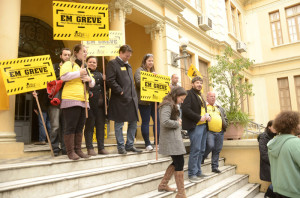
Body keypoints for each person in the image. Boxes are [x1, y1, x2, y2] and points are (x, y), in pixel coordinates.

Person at [60, 44, 95, 160]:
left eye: (86, 51)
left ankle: (78, 150)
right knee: (71, 126)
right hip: (71, 98)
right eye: (83, 51)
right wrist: (79, 73)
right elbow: (63, 77)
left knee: (80, 127)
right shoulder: (69, 64)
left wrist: (89, 79)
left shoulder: (85, 67)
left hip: (83, 100)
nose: (85, 53)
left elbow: (93, 83)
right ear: (76, 52)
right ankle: (70, 151)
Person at [106, 44, 142, 154]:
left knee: (133, 123)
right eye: (126, 56)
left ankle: (130, 145)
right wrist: (119, 90)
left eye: (129, 56)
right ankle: (121, 146)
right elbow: (110, 79)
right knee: (119, 124)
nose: (128, 58)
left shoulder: (128, 65)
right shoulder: (113, 63)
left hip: (131, 99)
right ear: (120, 53)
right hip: (120, 99)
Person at [158, 86, 187, 198]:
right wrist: (177, 123)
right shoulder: (167, 104)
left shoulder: (171, 104)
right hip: (170, 139)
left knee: (178, 162)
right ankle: (181, 193)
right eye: (182, 98)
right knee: (179, 162)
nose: (182, 101)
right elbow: (164, 121)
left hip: (174, 137)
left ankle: (163, 185)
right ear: (176, 95)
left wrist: (177, 123)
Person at [181, 76, 211, 182]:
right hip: (195, 126)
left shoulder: (200, 96)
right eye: (197, 83)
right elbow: (185, 109)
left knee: (202, 150)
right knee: (196, 149)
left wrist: (208, 117)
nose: (199, 84)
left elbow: (202, 110)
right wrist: (199, 118)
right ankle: (192, 173)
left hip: (203, 126)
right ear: (192, 84)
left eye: (201, 83)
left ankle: (198, 172)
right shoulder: (189, 94)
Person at [268, 111, 300, 198]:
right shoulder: (295, 143)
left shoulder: (273, 142)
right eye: (298, 123)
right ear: (292, 125)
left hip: (279, 190)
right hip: (295, 192)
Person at [134, 54, 160, 151]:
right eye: (149, 60)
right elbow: (138, 82)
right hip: (144, 101)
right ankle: (147, 143)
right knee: (145, 121)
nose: (151, 62)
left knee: (157, 121)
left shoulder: (154, 72)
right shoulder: (139, 70)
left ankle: (157, 142)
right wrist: (151, 78)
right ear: (144, 61)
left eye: (152, 61)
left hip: (154, 101)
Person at [84, 56, 108, 156]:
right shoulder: (84, 73)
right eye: (90, 62)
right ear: (86, 63)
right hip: (89, 105)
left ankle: (101, 148)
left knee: (100, 127)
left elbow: (107, 88)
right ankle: (90, 148)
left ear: (97, 64)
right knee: (89, 127)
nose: (92, 64)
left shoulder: (101, 74)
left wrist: (105, 80)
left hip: (101, 106)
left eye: (94, 62)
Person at [49, 48, 71, 156]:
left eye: (69, 55)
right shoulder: (53, 67)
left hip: (67, 100)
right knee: (55, 126)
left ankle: (65, 148)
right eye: (65, 55)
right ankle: (54, 147)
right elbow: (47, 82)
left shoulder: (72, 68)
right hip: (54, 101)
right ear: (61, 56)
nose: (67, 57)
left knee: (65, 126)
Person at [202, 91, 227, 173]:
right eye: (211, 96)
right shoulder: (204, 107)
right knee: (210, 145)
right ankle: (202, 157)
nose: (213, 98)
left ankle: (214, 167)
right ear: (207, 98)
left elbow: (225, 117)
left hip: (220, 132)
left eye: (214, 96)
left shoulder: (219, 107)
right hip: (210, 131)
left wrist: (225, 124)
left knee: (217, 149)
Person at [257, 120, 277, 198]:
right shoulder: (263, 137)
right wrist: (274, 162)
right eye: (274, 127)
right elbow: (263, 154)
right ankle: (268, 195)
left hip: (276, 162)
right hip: (269, 163)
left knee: (277, 181)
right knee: (277, 181)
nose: (276, 129)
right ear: (269, 127)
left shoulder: (276, 136)